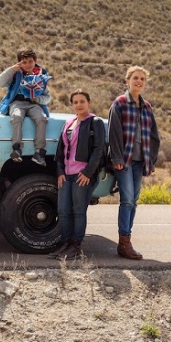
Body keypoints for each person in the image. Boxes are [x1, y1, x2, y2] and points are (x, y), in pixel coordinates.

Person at [108, 66, 160, 260]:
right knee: (127, 199)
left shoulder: (147, 106)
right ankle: (124, 243)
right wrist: (117, 158)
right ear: (127, 80)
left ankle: (125, 239)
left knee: (134, 201)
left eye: (142, 79)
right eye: (135, 78)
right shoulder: (120, 103)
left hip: (141, 160)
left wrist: (151, 161)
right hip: (125, 160)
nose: (139, 81)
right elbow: (113, 132)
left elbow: (154, 136)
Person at [52, 89, 106, 259]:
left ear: (88, 103)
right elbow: (60, 149)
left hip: (82, 175)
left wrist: (88, 172)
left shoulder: (94, 122)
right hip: (66, 174)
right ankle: (66, 244)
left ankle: (76, 246)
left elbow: (99, 149)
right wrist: (60, 171)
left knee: (78, 210)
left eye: (82, 101)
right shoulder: (69, 123)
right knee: (63, 210)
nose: (79, 105)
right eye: (75, 102)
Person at [0, 48, 51, 166]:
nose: (27, 65)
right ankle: (17, 149)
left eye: (30, 61)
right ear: (19, 63)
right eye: (24, 62)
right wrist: (11, 70)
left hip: (34, 104)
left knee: (42, 118)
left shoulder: (40, 76)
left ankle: (39, 152)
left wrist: (37, 99)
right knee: (17, 116)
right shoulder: (15, 74)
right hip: (17, 103)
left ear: (35, 61)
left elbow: (47, 97)